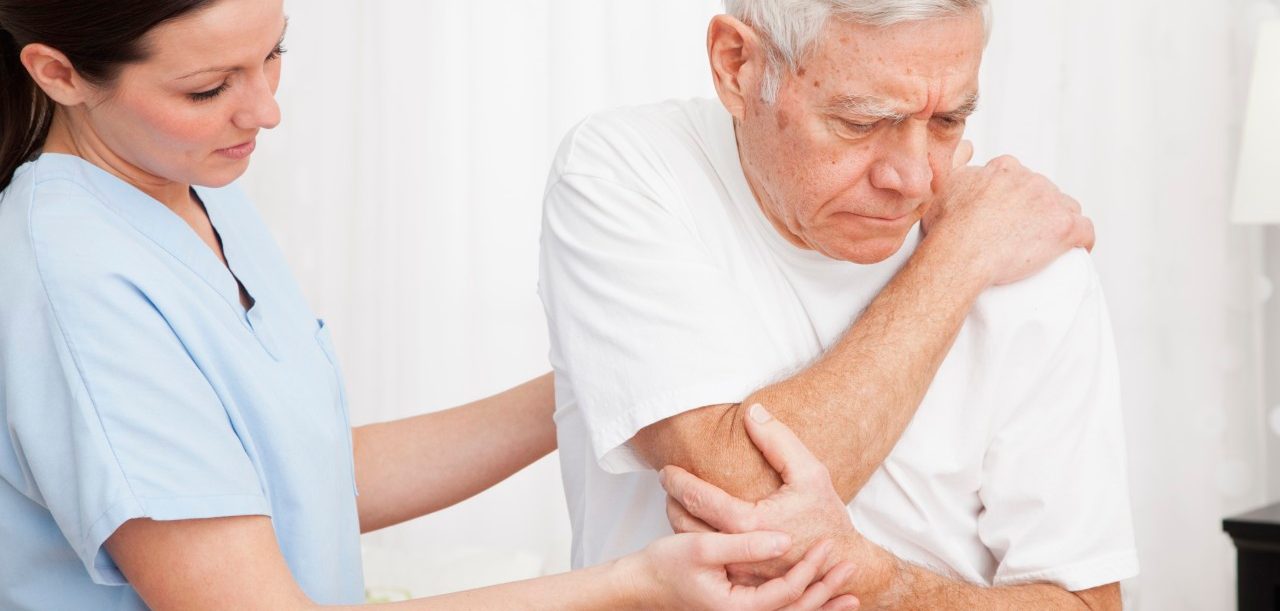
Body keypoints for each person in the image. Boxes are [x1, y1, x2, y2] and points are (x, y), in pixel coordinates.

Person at [0, 1, 863, 609]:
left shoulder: (194, 187)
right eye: (208, 87)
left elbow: (305, 478)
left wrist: (613, 379)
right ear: (60, 74)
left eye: (275, 54)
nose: (264, 109)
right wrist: (632, 586)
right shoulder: (74, 276)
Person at [537, 0, 1137, 608]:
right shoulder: (625, 174)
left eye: (948, 120)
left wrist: (884, 584)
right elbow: (744, 502)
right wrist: (957, 260)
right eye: (861, 123)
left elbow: (1088, 605)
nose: (913, 178)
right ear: (736, 65)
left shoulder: (1026, 255)